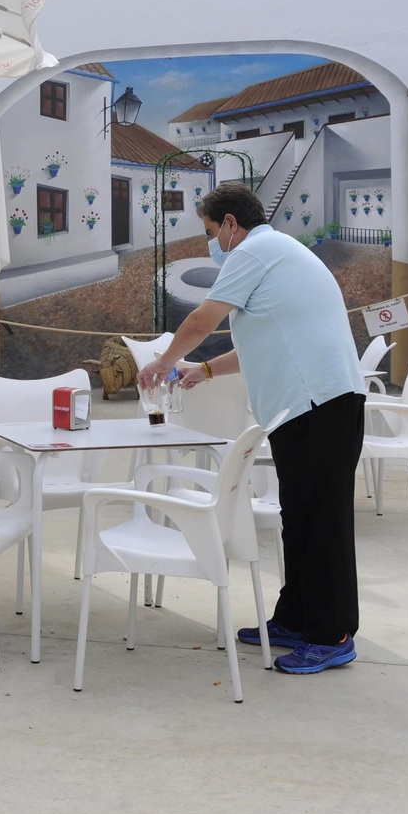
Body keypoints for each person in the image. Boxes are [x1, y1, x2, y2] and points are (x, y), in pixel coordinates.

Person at [137, 182, 366, 674]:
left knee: (323, 521)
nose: (210, 244)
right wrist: (204, 370)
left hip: (322, 402)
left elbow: (201, 320)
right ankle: (296, 619)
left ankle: (333, 634)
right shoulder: (275, 256)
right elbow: (262, 340)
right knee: (299, 515)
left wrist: (162, 362)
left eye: (208, 232)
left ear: (230, 225)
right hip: (303, 406)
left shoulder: (254, 250)